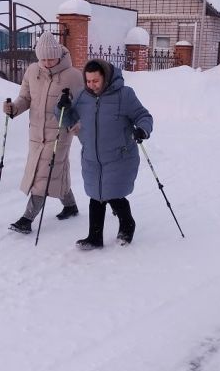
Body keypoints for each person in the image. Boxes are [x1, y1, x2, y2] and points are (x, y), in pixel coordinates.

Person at [57, 58, 153, 250]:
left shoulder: (124, 95)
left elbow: (144, 116)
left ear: (106, 78)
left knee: (114, 195)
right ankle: (94, 237)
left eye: (96, 81)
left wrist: (142, 130)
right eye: (88, 81)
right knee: (96, 195)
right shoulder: (84, 97)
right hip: (92, 157)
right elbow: (67, 119)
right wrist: (62, 107)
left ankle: (127, 225)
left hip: (119, 156)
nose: (91, 85)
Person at [2, 31, 83, 234]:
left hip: (60, 132)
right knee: (57, 170)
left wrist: (74, 115)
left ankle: (27, 219)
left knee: (44, 173)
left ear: (59, 55)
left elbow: (83, 105)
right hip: (36, 133)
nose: (47, 62)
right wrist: (14, 108)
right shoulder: (32, 71)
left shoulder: (73, 75)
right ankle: (70, 206)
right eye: (43, 58)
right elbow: (25, 98)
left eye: (51, 58)